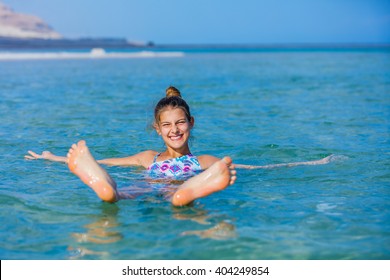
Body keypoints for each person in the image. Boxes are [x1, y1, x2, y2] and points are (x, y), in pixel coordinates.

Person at [25, 86, 334, 206]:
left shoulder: (205, 159)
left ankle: (180, 193)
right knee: (122, 190)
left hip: (176, 184)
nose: (175, 130)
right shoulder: (147, 157)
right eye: (168, 125)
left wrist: (311, 163)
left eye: (181, 123)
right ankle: (106, 187)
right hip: (150, 187)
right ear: (158, 130)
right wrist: (53, 157)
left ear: (191, 123)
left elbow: (255, 168)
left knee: (168, 196)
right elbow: (107, 160)